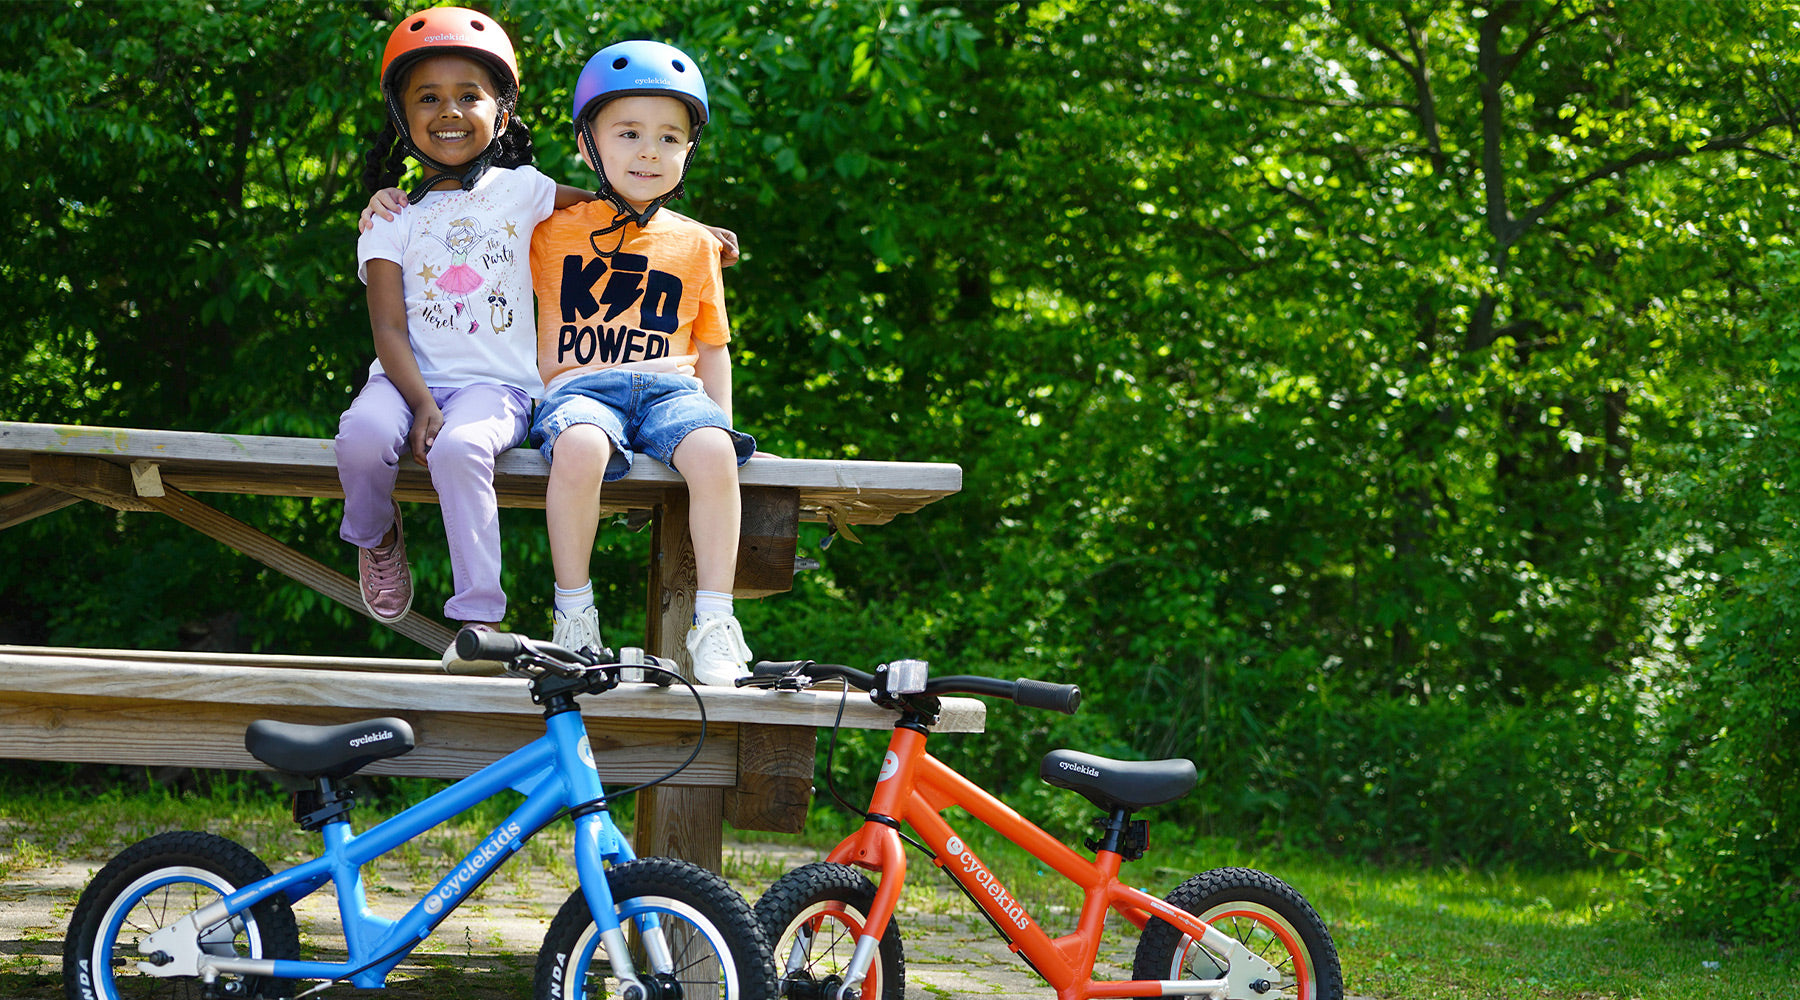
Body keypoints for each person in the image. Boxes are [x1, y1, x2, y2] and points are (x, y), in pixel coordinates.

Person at [341, 9, 737, 665]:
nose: (450, 110)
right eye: (430, 98)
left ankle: (481, 621)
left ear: (501, 113)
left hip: (498, 388)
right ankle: (376, 535)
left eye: (469, 95)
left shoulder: (521, 191)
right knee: (359, 437)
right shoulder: (394, 217)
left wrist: (697, 231)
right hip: (422, 379)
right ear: (401, 116)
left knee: (460, 450)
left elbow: (614, 204)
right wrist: (419, 401)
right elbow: (386, 326)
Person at [529, 40, 756, 684]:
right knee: (578, 447)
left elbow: (712, 344)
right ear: (588, 145)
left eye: (669, 137)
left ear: (689, 150)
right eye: (628, 133)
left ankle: (715, 621)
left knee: (713, 450)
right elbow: (476, 217)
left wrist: (722, 425)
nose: (649, 152)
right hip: (581, 385)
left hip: (668, 386)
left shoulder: (695, 243)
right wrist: (392, 202)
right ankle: (573, 615)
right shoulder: (548, 230)